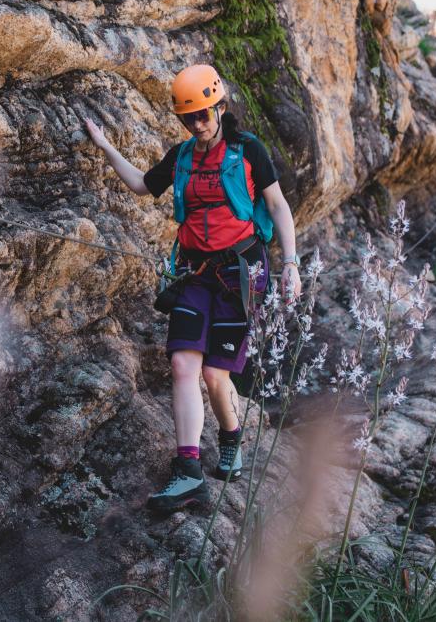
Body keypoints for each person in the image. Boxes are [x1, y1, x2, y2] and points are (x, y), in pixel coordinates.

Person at [84, 63, 301, 512]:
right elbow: (143, 186)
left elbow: (278, 207)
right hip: (194, 273)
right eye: (189, 118)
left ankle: (231, 438)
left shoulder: (248, 150)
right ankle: (187, 473)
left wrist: (293, 264)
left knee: (215, 376)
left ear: (220, 106)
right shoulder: (182, 157)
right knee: (183, 364)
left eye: (203, 114)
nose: (197, 124)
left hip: (243, 275)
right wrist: (105, 145)